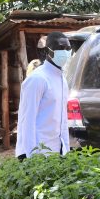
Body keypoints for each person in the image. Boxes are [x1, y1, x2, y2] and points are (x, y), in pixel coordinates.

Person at [16, 31, 71, 159]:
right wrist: (32, 156)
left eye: (68, 48)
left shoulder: (62, 79)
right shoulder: (38, 79)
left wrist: (66, 149)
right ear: (48, 51)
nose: (65, 52)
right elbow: (27, 121)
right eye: (60, 48)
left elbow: (62, 119)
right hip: (37, 154)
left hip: (57, 151)